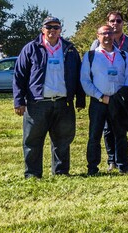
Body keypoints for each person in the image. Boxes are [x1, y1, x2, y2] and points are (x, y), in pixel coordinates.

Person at [13, 16, 85, 178]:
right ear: (42, 29)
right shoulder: (31, 48)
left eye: (56, 27)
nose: (52, 30)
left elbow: (78, 75)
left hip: (63, 103)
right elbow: (19, 76)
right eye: (49, 27)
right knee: (32, 140)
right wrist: (19, 101)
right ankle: (33, 174)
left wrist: (80, 99)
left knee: (63, 140)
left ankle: (61, 172)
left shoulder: (70, 49)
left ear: (60, 30)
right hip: (37, 103)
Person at [81, 24, 128, 174]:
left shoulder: (123, 55)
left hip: (118, 101)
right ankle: (92, 168)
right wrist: (100, 96)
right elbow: (85, 80)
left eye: (110, 33)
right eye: (103, 33)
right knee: (94, 135)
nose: (107, 36)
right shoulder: (91, 56)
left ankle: (123, 166)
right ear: (97, 36)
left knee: (121, 134)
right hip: (98, 101)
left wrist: (120, 96)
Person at [92, 10, 128, 165]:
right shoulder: (97, 44)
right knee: (108, 128)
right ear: (108, 22)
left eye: (118, 21)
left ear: (122, 23)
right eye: (112, 21)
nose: (115, 24)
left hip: (127, 92)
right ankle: (112, 159)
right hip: (105, 93)